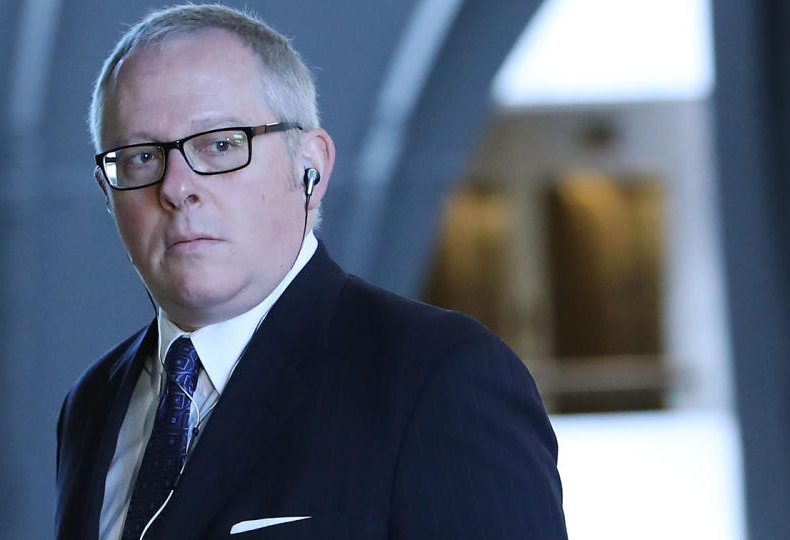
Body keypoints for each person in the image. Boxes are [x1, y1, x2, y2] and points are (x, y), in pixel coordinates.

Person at [55, 4, 567, 539]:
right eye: (140, 157)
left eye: (221, 145)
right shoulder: (92, 403)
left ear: (311, 168)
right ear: (106, 194)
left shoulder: (435, 375)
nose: (176, 186)